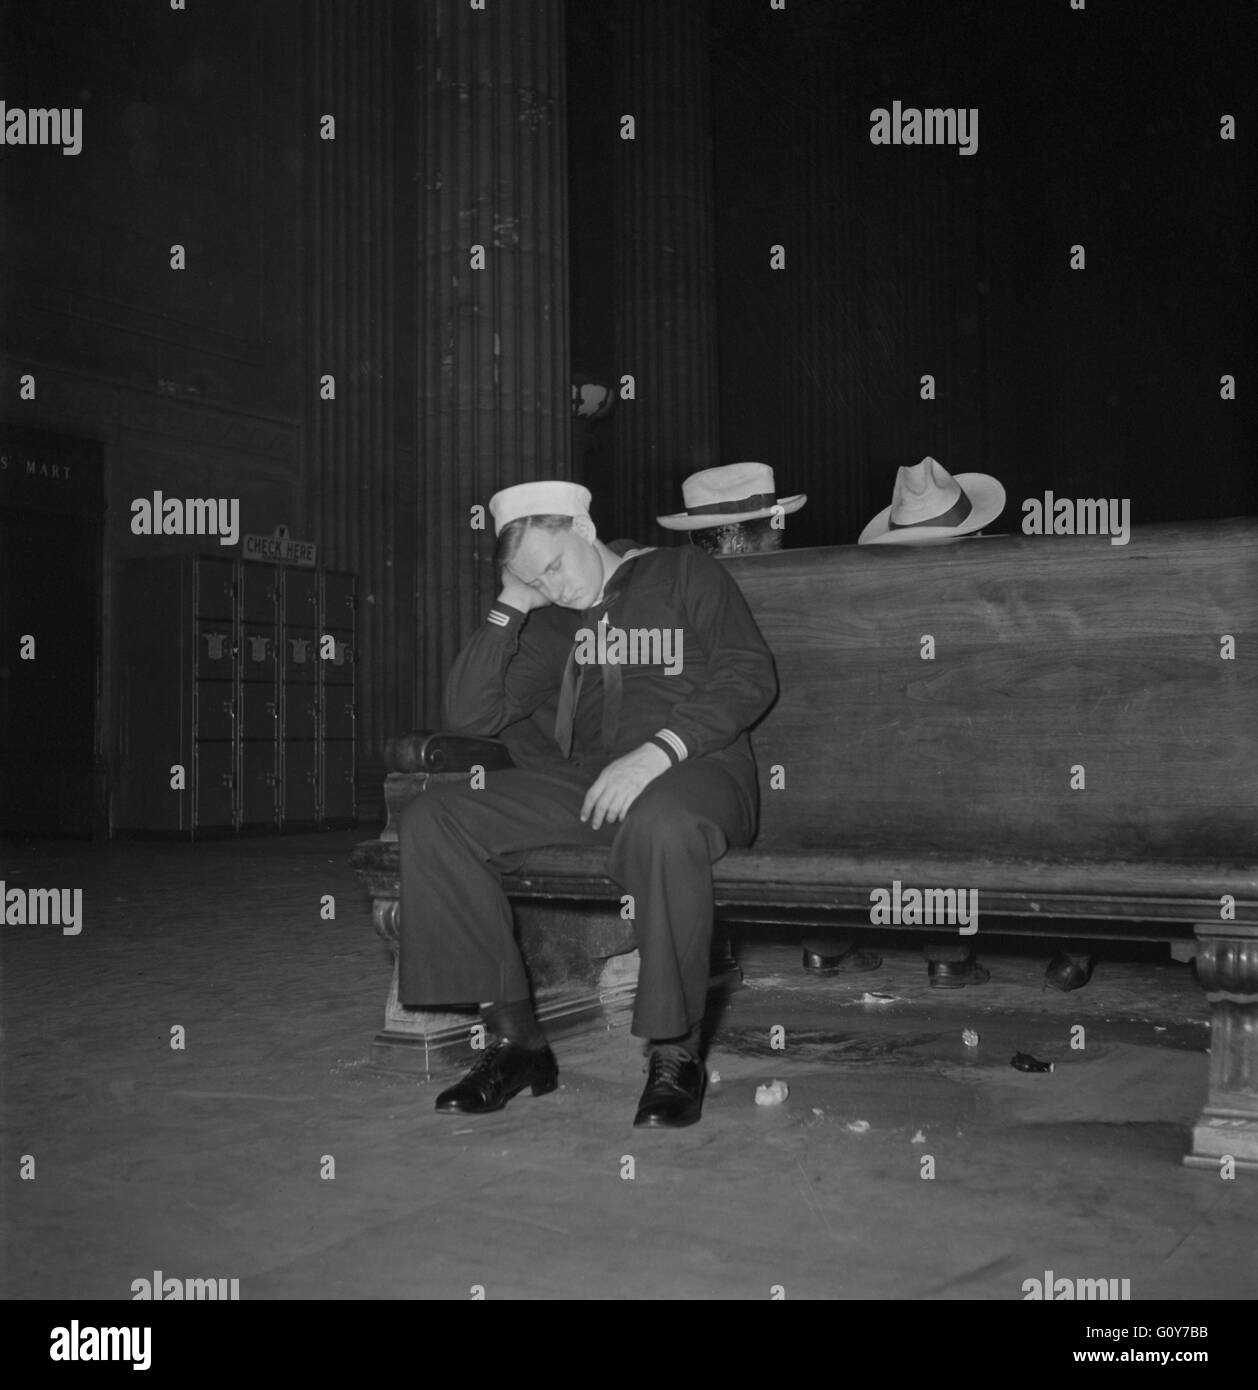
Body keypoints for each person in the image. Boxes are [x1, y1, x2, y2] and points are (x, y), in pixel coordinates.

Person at [397, 480, 778, 1128]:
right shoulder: (553, 621)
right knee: (435, 817)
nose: (556, 585)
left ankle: (675, 1052)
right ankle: (518, 1044)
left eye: (553, 565)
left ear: (581, 524)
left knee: (662, 823)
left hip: (697, 770)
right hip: (593, 785)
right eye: (534, 580)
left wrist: (658, 751)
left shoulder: (684, 571)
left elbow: (749, 673)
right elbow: (470, 713)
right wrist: (513, 603)